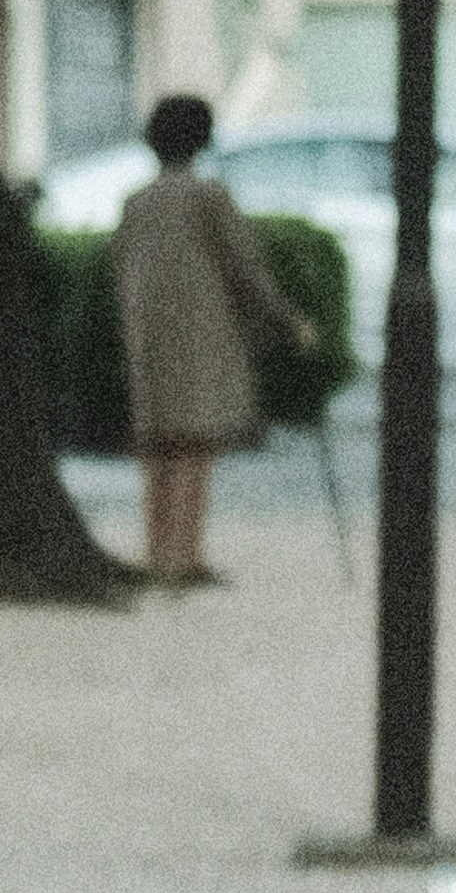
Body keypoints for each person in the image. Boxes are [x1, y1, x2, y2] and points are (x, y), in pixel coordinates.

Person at [107, 94, 316, 585]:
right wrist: (289, 323)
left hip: (147, 336)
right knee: (194, 447)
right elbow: (246, 269)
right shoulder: (209, 197)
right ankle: (185, 556)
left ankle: (157, 552)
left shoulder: (136, 201)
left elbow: (119, 268)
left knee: (157, 447)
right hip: (202, 336)